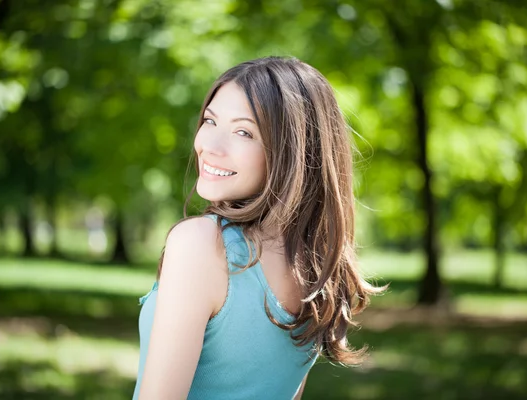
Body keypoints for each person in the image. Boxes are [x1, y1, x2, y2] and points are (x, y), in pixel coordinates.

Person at [132, 56, 384, 400]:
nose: (210, 146)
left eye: (243, 132)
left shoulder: (202, 245)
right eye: (210, 120)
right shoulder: (316, 267)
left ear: (292, 152)